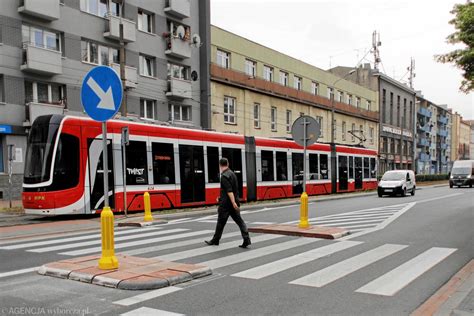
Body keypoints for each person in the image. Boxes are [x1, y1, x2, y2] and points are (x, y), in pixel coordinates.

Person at [205, 158, 251, 248]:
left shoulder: (224, 176)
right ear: (228, 164)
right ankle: (246, 239)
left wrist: (232, 202)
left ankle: (215, 240)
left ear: (220, 165)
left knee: (220, 223)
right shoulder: (232, 174)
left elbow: (229, 191)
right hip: (232, 202)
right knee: (240, 222)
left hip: (226, 205)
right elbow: (231, 190)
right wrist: (223, 198)